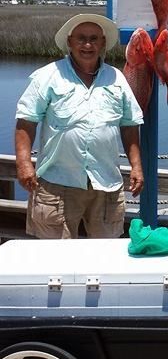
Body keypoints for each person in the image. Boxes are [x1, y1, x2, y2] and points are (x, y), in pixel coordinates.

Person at [15, 13, 144, 239]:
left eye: (94, 39)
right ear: (69, 42)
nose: (87, 44)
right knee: (56, 262)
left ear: (103, 43)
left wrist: (136, 166)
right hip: (57, 183)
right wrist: (24, 164)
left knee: (106, 258)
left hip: (106, 183)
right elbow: (26, 121)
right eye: (81, 38)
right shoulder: (47, 76)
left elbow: (130, 125)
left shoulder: (117, 78)